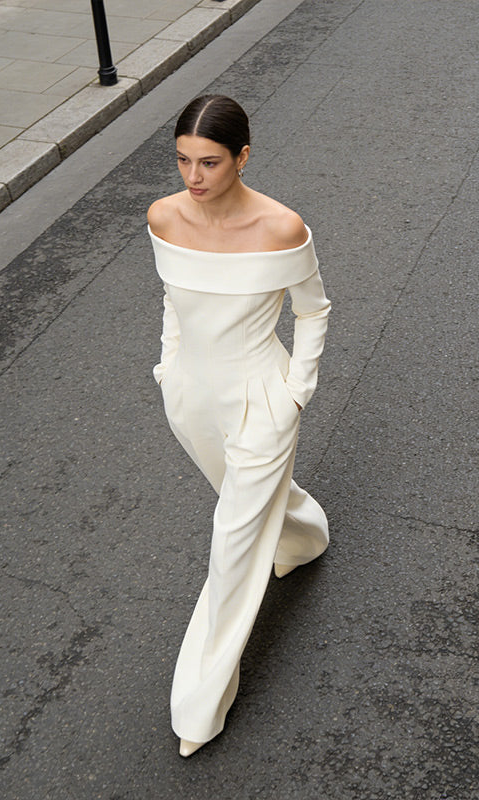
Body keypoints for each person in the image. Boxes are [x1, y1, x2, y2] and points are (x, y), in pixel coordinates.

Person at [147, 95, 331, 757]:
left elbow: (313, 312)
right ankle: (307, 536)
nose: (193, 177)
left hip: (261, 399)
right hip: (191, 396)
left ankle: (198, 706)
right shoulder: (163, 216)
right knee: (253, 511)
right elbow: (171, 297)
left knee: (230, 544)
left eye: (210, 162)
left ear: (243, 157)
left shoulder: (281, 230)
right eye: (183, 160)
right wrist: (169, 366)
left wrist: (295, 395)